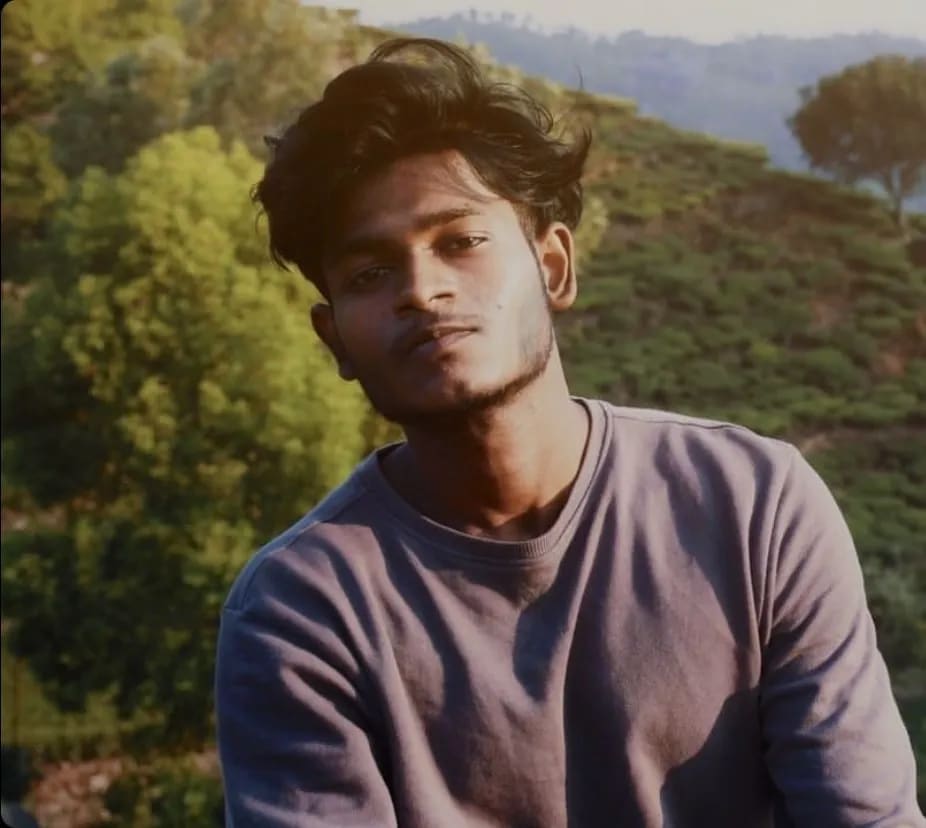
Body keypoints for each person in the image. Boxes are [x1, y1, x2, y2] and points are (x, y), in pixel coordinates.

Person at [214, 38, 924, 827]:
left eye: (460, 241)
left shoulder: (753, 507)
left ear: (553, 267)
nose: (422, 288)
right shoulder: (300, 611)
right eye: (370, 274)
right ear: (335, 339)